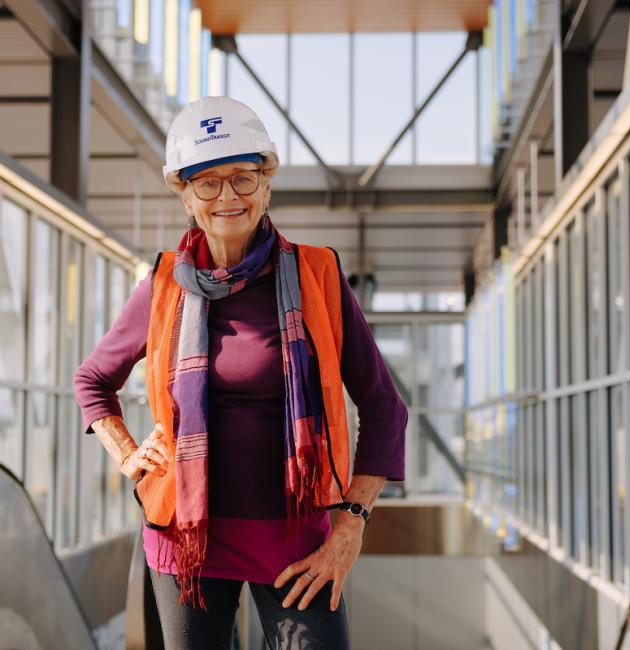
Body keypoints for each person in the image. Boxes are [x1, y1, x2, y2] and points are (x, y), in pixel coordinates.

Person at [74, 95, 407, 650]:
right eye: (207, 182)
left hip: (297, 541)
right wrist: (128, 454)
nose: (228, 195)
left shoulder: (317, 276)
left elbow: (383, 407)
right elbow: (92, 381)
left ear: (267, 184)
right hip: (185, 540)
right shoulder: (162, 287)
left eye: (244, 177)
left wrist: (351, 523)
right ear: (185, 195)